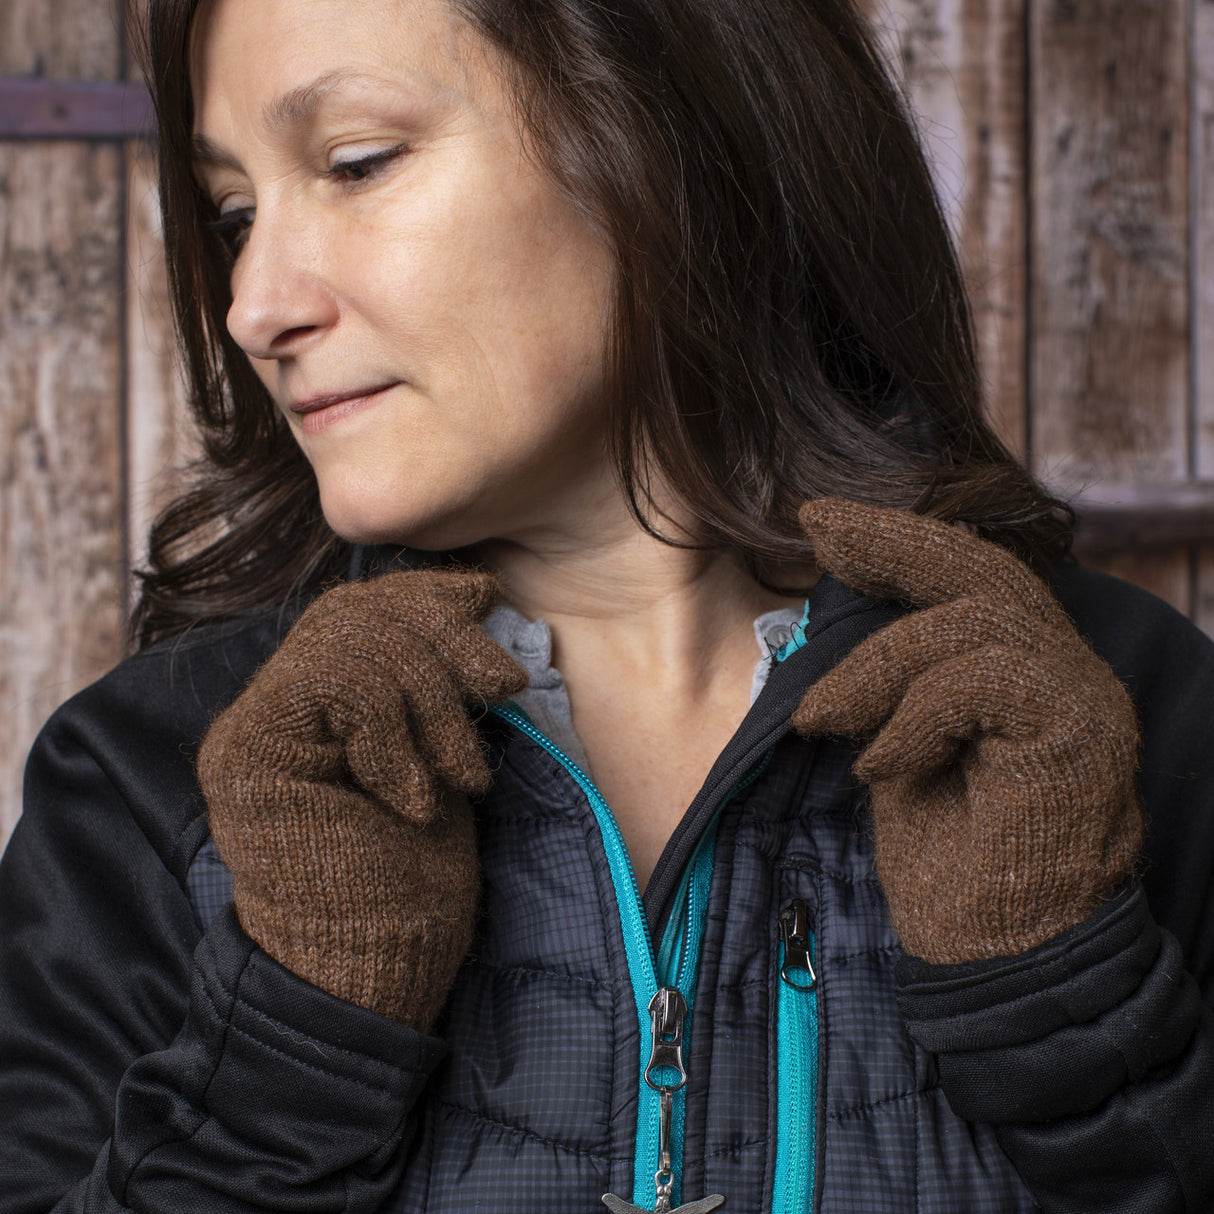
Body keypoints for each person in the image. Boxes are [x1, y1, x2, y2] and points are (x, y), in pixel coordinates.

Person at [1, 0, 1212, 1210]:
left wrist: (1058, 997)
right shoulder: (149, 779)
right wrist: (294, 1033)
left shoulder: (1121, 708)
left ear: (671, 128)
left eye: (356, 164)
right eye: (234, 214)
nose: (254, 305)